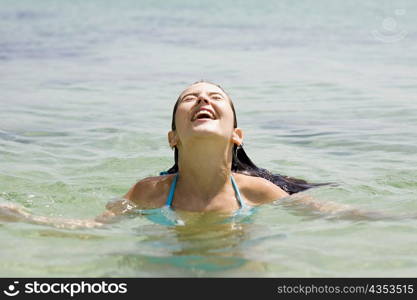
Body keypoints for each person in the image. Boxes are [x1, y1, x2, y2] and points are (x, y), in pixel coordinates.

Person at [0, 81, 391, 229]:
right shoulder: (149, 192)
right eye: (191, 98)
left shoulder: (258, 191)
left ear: (237, 135)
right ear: (173, 137)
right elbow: (93, 228)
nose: (203, 99)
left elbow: (339, 214)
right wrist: (21, 217)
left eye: (214, 97)